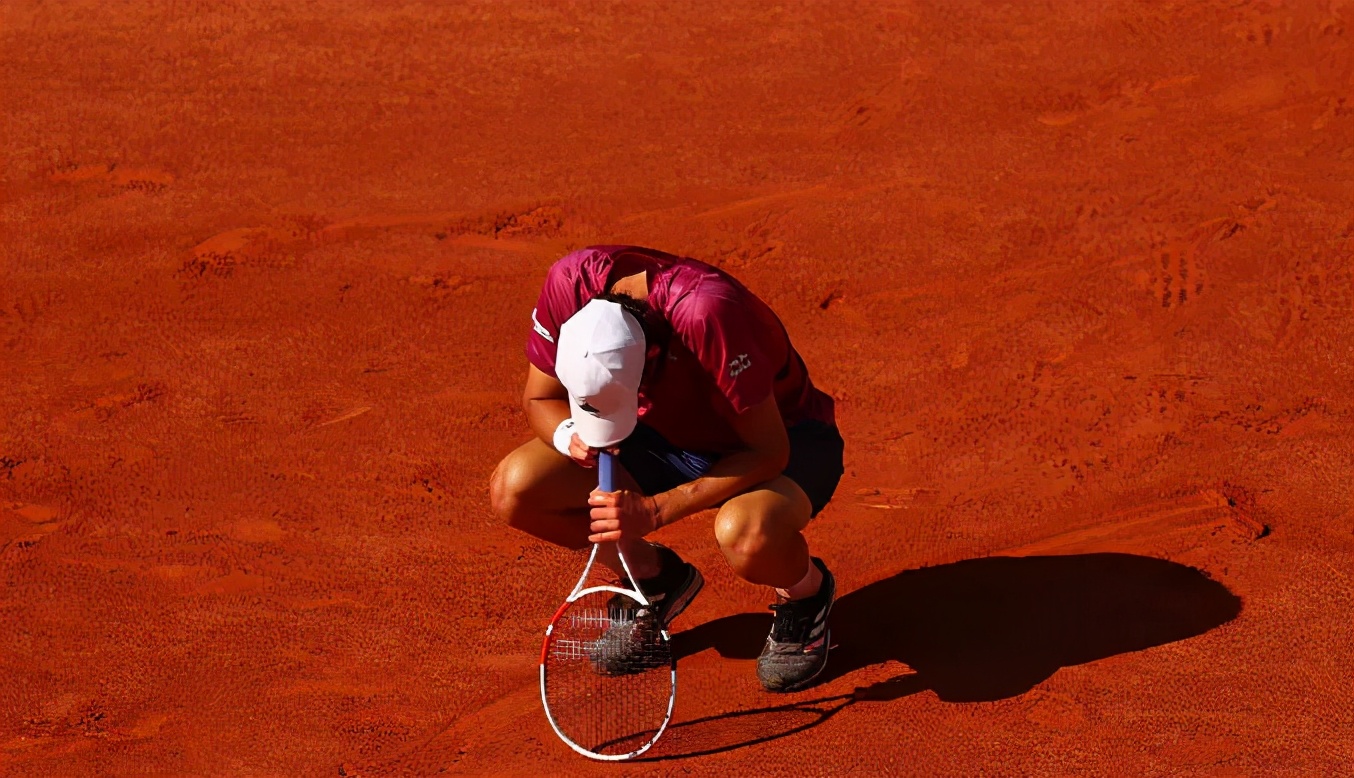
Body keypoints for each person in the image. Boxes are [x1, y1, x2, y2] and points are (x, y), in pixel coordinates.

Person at [489, 245, 845, 692]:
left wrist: (654, 511)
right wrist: (569, 436)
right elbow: (540, 398)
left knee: (747, 534)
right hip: (658, 434)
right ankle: (654, 582)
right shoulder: (569, 285)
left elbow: (768, 450)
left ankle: (805, 596)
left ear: (653, 356)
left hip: (779, 438)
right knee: (516, 490)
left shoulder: (707, 315)